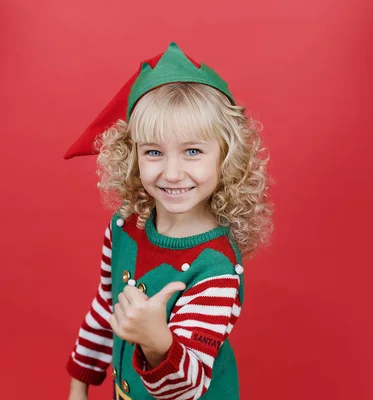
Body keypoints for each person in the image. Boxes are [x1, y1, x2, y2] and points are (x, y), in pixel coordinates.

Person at [64, 42, 273, 400]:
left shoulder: (216, 268)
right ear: (132, 156)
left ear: (226, 157)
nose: (172, 173)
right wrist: (78, 384)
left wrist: (156, 340)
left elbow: (186, 388)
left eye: (192, 151)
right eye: (154, 152)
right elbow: (106, 305)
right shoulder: (123, 229)